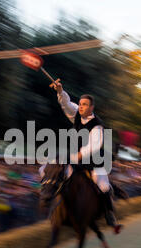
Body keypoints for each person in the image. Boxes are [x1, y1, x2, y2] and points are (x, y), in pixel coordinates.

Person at [48, 79, 123, 234]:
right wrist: (60, 91)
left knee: (103, 185)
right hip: (78, 156)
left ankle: (110, 215)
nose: (81, 106)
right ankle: (55, 206)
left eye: (84, 104)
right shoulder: (76, 113)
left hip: (95, 160)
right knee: (59, 173)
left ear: (91, 108)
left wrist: (78, 155)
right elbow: (67, 104)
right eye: (80, 104)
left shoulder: (97, 125)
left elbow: (93, 146)